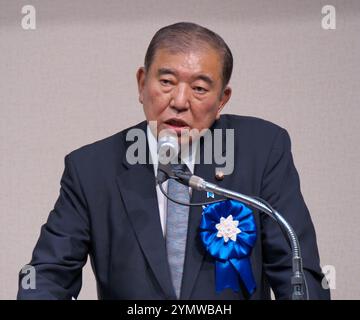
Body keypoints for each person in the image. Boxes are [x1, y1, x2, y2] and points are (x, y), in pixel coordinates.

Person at [17, 22, 330, 300]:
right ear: (142, 83)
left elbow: (295, 271)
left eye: (199, 88)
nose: (179, 102)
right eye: (166, 82)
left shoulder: (260, 151)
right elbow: (47, 275)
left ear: (222, 99)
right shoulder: (91, 169)